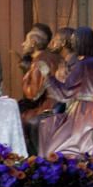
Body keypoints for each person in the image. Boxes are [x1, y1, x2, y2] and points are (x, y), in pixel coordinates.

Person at [37, 26, 93, 157]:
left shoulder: (83, 65)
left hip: (84, 114)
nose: (73, 45)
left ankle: (52, 164)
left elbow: (64, 93)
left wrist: (47, 75)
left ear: (80, 42)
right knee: (50, 123)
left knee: (56, 144)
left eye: (74, 41)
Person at [19, 26, 63, 156]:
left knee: (19, 117)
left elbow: (33, 94)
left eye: (26, 41)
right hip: (58, 103)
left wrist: (26, 77)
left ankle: (30, 156)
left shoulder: (40, 61)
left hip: (49, 106)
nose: (23, 44)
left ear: (33, 43)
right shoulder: (55, 57)